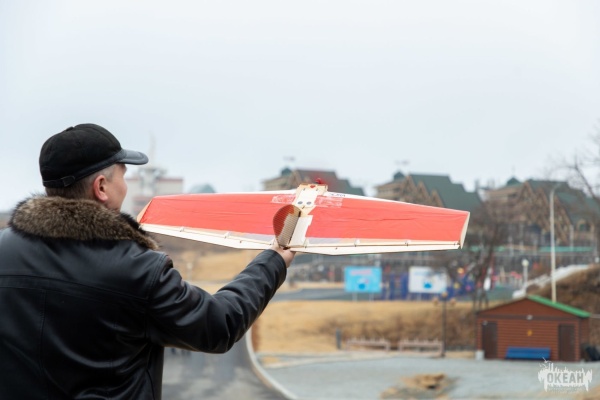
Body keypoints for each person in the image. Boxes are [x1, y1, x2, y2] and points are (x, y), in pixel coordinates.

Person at [0, 123, 295, 399]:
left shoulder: (4, 249)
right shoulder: (137, 269)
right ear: (101, 187)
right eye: (123, 175)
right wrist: (274, 259)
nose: (126, 186)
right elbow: (219, 325)